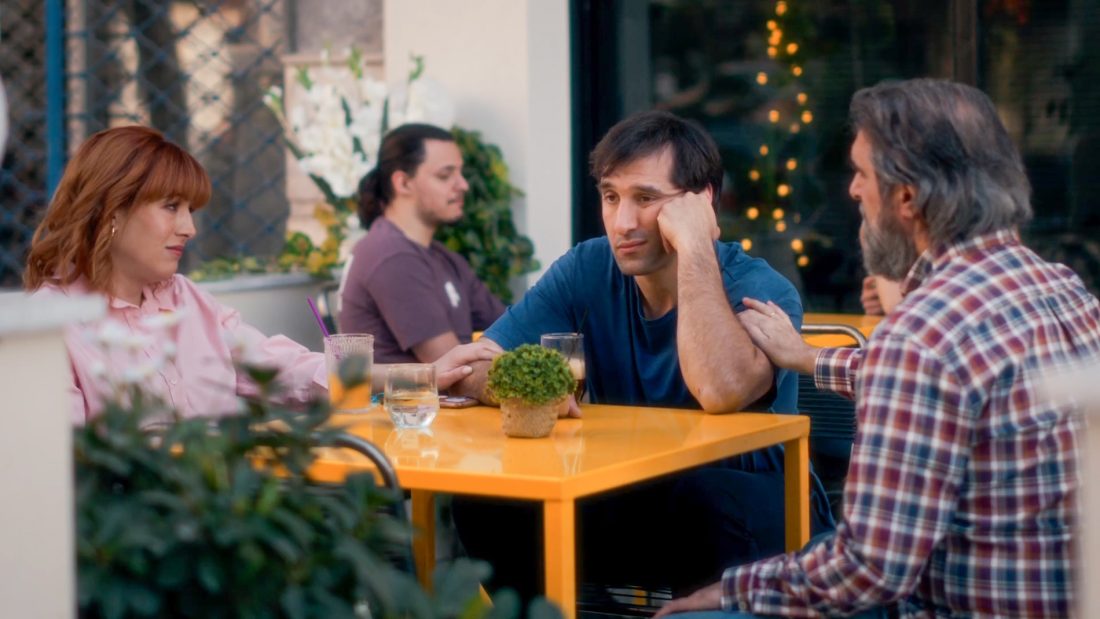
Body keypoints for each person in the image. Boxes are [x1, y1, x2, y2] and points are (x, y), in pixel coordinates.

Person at [658, 79, 1100, 619]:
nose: (852, 191)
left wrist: (731, 591)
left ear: (908, 198)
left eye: (862, 173)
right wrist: (809, 357)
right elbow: (952, 386)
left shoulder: (920, 336)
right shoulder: (1060, 289)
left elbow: (865, 571)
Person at [449, 110, 833, 599]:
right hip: (636, 500)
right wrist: (533, 388)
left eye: (646, 199)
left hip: (754, 515)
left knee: (702, 497)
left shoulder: (760, 288)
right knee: (488, 500)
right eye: (611, 197)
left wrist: (694, 245)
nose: (622, 222)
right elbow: (468, 367)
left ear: (701, 202)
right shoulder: (586, 269)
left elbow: (719, 389)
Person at [23, 126, 499, 424]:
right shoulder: (48, 325)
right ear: (112, 210)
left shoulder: (187, 301)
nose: (188, 227)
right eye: (171, 207)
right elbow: (61, 473)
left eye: (190, 209)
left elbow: (294, 370)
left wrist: (423, 375)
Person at [338, 123, 505, 363]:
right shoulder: (391, 255)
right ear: (403, 183)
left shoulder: (442, 257)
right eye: (445, 175)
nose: (463, 185)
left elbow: (509, 328)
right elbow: (452, 368)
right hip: (403, 401)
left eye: (460, 173)